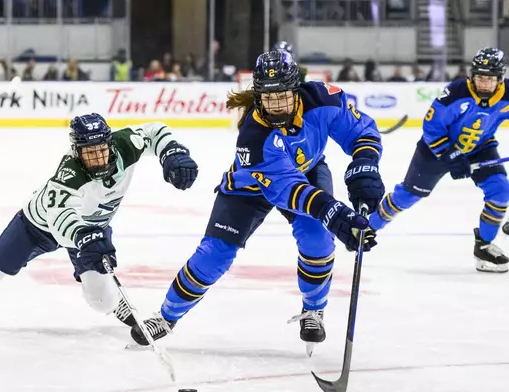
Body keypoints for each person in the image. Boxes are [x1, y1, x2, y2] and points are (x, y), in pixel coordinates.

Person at [129, 51, 384, 348]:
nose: (275, 105)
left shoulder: (323, 100)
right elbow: (287, 189)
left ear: (297, 89)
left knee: (318, 240)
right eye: (268, 97)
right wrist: (332, 211)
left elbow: (361, 131)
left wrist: (364, 165)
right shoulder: (253, 136)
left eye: (283, 96)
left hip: (309, 171)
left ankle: (313, 309)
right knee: (214, 254)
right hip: (251, 186)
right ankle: (166, 316)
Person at [0, 113, 199, 325]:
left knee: (100, 302)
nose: (97, 158)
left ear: (109, 142)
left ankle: (114, 301)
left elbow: (155, 130)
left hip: (90, 229)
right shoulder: (69, 175)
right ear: (76, 151)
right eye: (87, 152)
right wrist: (84, 237)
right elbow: (58, 217)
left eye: (100, 149)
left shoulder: (124, 144)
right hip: (37, 227)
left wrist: (172, 153)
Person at [369, 47, 509, 273]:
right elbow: (432, 128)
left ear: (500, 79)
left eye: (490, 79)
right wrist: (452, 155)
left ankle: (483, 246)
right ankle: (368, 226)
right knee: (408, 195)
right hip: (437, 149)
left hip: (479, 146)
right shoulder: (456, 93)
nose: (484, 84)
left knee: (501, 190)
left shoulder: (507, 94)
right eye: (480, 78)